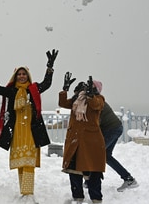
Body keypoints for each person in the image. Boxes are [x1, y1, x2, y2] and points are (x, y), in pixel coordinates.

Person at [0, 49, 57, 202]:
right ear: (16, 76)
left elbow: (47, 83)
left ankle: (28, 193)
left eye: (24, 74)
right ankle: (24, 192)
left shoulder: (33, 89)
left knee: (28, 162)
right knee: (21, 163)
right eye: (19, 74)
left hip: (31, 131)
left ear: (28, 76)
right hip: (16, 131)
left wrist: (49, 67)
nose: (22, 76)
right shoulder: (11, 91)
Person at [59, 73, 106, 203]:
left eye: (90, 88)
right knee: (74, 171)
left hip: (91, 144)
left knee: (93, 173)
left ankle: (96, 199)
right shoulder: (76, 100)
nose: (85, 89)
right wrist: (65, 90)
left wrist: (91, 96)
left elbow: (97, 105)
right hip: (75, 142)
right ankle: (77, 197)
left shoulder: (98, 99)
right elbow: (63, 103)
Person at [90, 81, 139, 192]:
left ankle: (90, 180)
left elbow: (97, 122)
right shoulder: (95, 100)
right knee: (106, 156)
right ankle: (128, 179)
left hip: (112, 129)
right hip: (115, 128)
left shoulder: (97, 101)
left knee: (97, 153)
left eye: (91, 86)